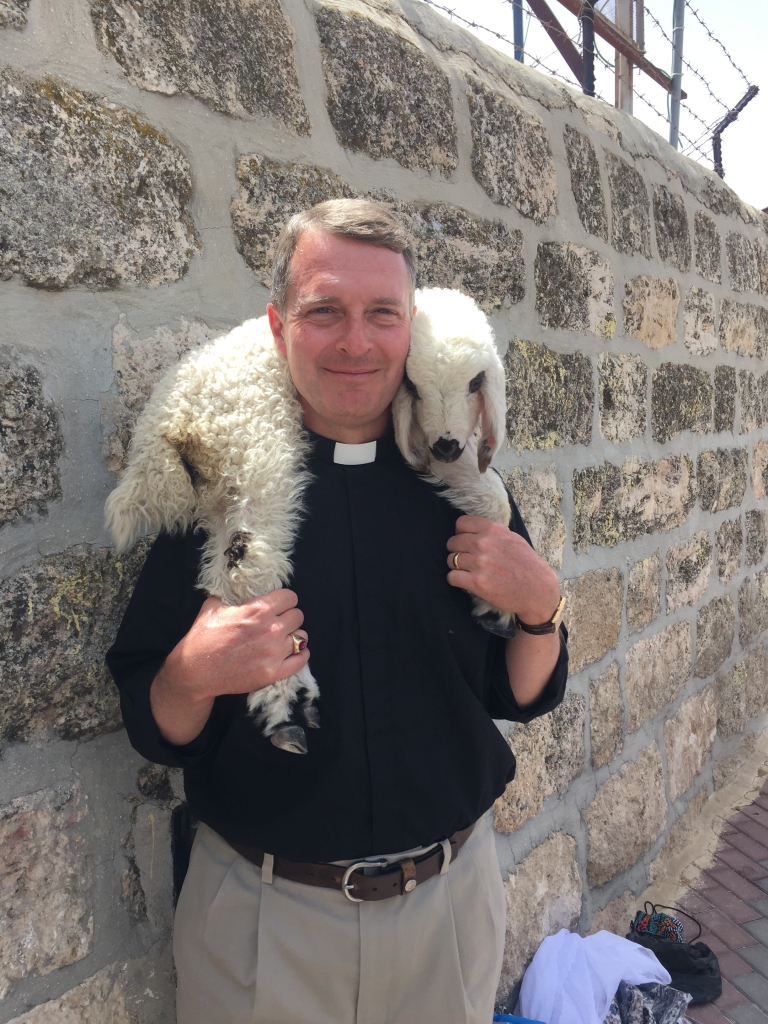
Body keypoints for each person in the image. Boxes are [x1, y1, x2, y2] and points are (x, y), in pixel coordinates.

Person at [106, 199, 569, 1024]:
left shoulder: (462, 485)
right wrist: (194, 670)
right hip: (263, 925)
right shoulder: (223, 494)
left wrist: (544, 610)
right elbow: (153, 719)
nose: (356, 341)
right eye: (325, 311)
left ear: (410, 327)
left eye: (381, 313)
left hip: (448, 914)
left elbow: (520, 693)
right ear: (281, 325)